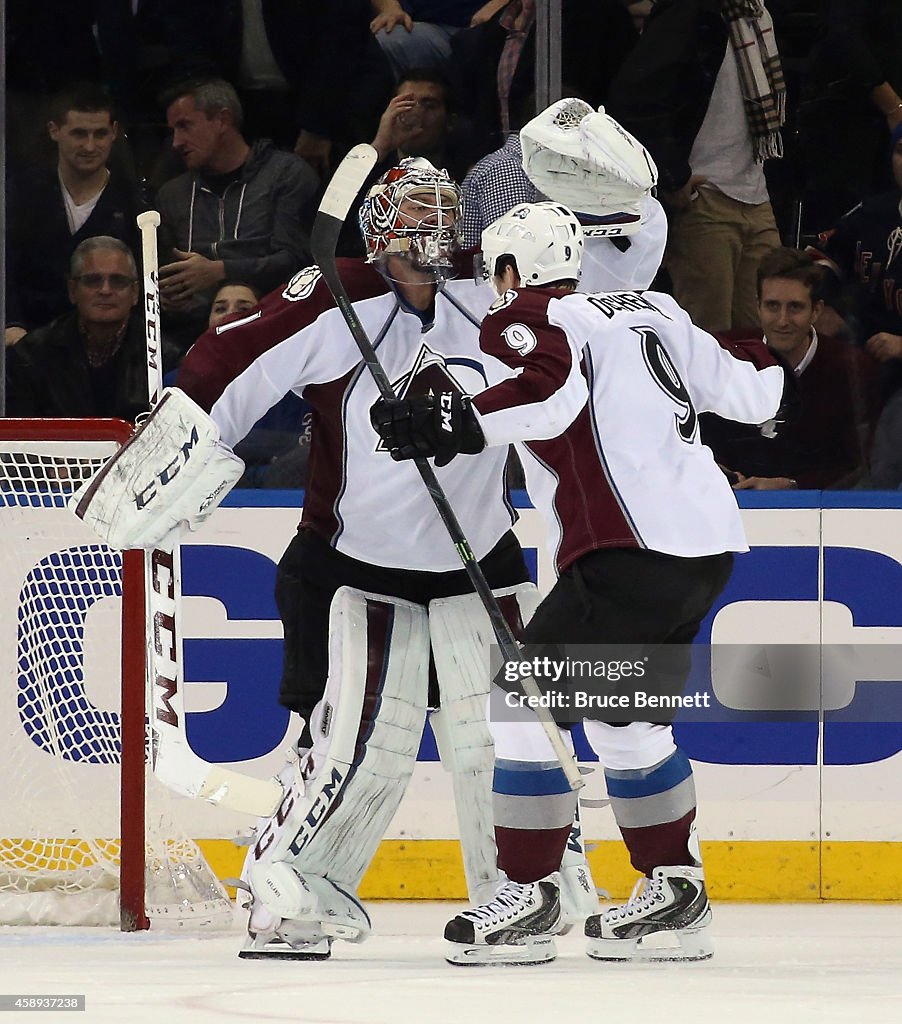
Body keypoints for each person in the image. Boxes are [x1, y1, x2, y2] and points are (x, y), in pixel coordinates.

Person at [372, 200, 791, 965]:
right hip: (703, 549)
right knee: (625, 722)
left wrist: (457, 422)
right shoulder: (655, 307)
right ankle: (675, 895)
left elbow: (550, 387)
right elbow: (756, 394)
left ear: (508, 270)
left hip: (623, 548)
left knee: (523, 702)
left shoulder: (526, 313)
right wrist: (759, 349)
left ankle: (530, 897)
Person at [175, 157, 571, 959]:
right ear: (381, 228)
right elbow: (226, 364)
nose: (434, 227)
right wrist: (181, 439)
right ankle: (294, 889)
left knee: (504, 740)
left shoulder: (489, 302)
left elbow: (561, 362)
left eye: (443, 211)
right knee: (352, 747)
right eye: (416, 211)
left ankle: (525, 894)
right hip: (352, 568)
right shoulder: (335, 297)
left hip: (479, 567)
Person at [606, 0, 786, 333]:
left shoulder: (757, 13)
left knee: (762, 337)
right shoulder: (690, 12)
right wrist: (673, 177)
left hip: (755, 193)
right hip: (705, 197)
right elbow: (635, 100)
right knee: (709, 337)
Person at [155, 77, 319, 368]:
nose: (177, 143)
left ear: (222, 120)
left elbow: (296, 264)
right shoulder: (172, 195)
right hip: (193, 342)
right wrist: (168, 298)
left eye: (185, 126)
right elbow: (167, 279)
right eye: (173, 131)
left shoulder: (286, 174)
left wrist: (219, 271)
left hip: (280, 336)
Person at [702, 247, 881, 490]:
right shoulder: (725, 355)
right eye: (772, 306)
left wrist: (791, 485)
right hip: (729, 499)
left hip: (817, 512)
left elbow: (855, 464)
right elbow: (697, 434)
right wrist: (716, 468)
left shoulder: (852, 368)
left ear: (816, 310)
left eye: (795, 307)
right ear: (758, 306)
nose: (783, 320)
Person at [5, 82, 143, 347]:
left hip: (111, 343)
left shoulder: (137, 204)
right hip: (25, 341)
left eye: (100, 134)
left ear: (114, 133)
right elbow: (5, 268)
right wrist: (11, 323)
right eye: (79, 134)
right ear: (54, 130)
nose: (90, 146)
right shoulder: (20, 194)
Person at [5, 237, 148, 420]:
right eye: (93, 280)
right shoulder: (30, 356)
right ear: (72, 290)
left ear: (135, 293)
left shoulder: (163, 359)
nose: (105, 290)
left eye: (118, 281)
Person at [206, 280, 313, 489]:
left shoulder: (295, 384)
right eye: (220, 308)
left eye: (244, 309)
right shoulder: (177, 382)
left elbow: (299, 455)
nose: (229, 315)